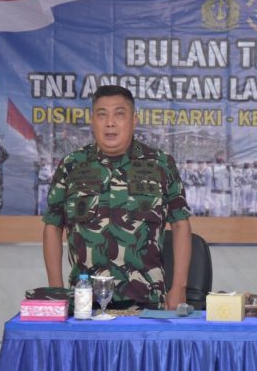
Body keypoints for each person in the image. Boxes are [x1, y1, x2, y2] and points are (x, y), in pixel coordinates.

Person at [42, 85, 192, 310]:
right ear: (92, 121)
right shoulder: (71, 165)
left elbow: (180, 225)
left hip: (147, 302)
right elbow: (53, 227)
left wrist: (179, 287)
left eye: (119, 114)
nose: (110, 123)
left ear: (134, 120)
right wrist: (57, 291)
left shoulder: (161, 164)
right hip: (85, 303)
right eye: (102, 115)